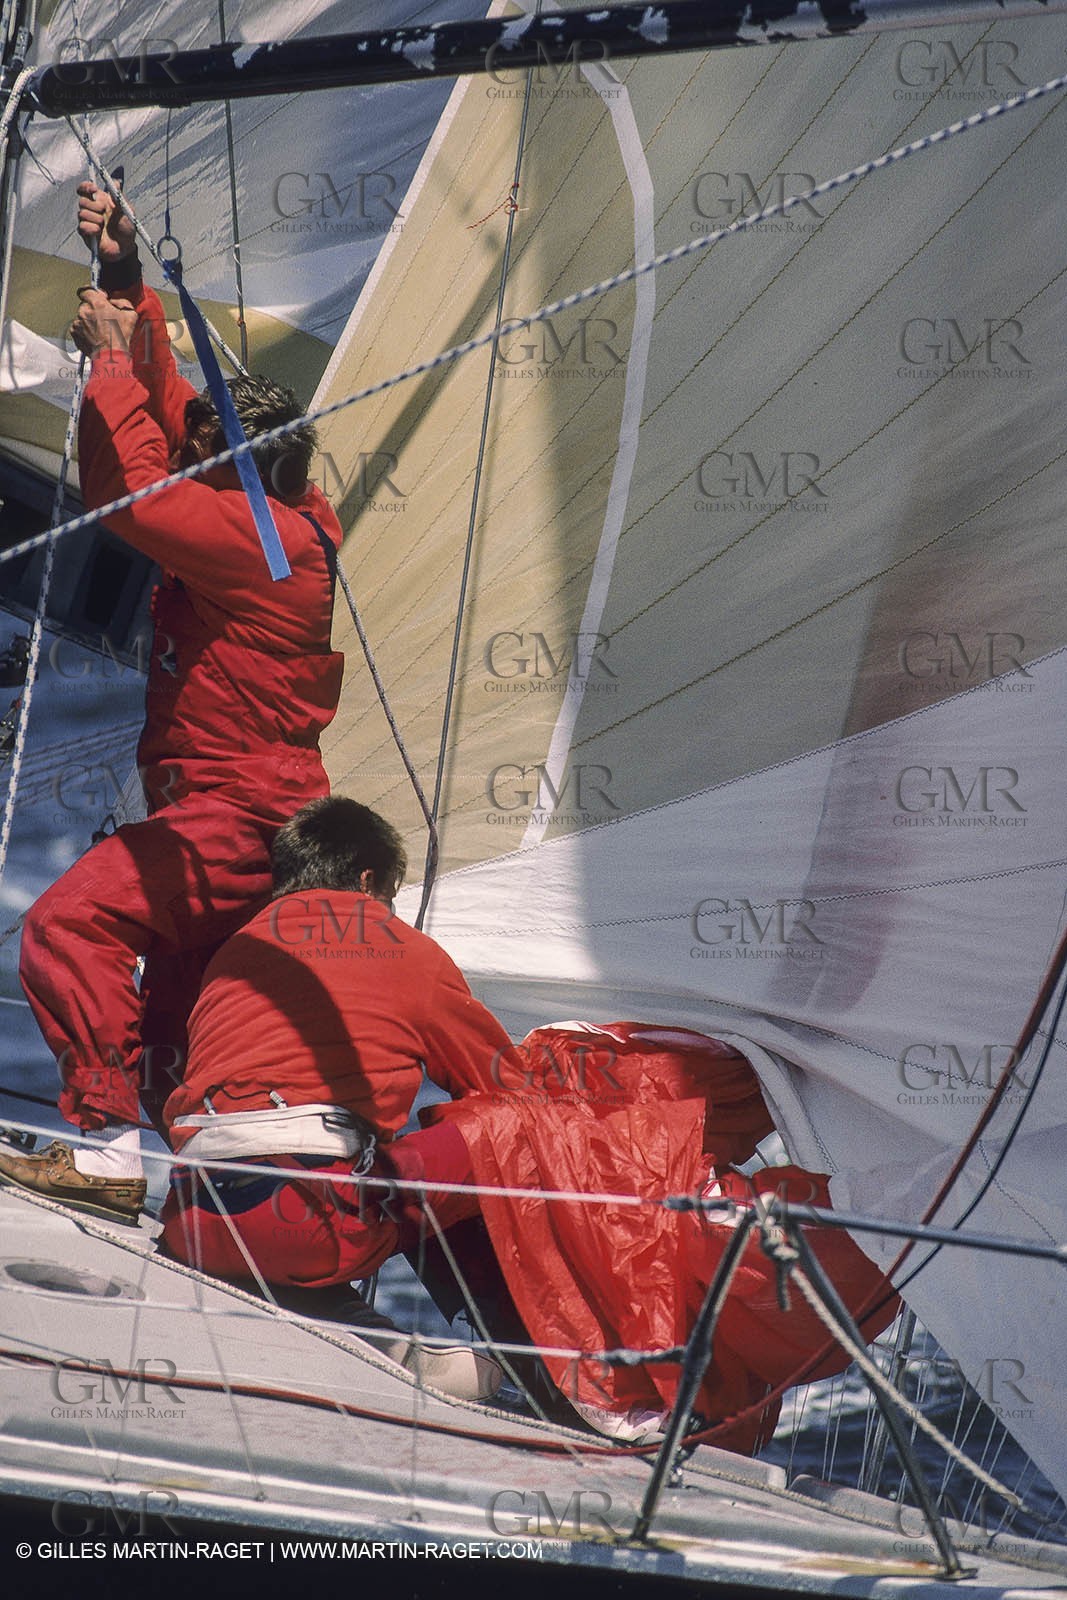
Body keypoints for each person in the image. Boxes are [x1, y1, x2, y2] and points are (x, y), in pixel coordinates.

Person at [0, 178, 344, 1223]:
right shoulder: (278, 510)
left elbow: (133, 491)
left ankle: (106, 1153)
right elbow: (159, 416)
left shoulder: (262, 545)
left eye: (201, 454)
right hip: (236, 809)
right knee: (170, 1033)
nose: (185, 461)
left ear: (231, 469)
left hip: (235, 812)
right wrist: (121, 276)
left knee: (69, 928)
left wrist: (107, 359)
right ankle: (225, 1208)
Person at [156, 793, 518, 1398]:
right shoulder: (404, 949)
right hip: (309, 1228)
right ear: (369, 880)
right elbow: (504, 1085)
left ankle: (362, 1331)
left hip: (195, 1225)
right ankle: (537, 1363)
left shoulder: (233, 951)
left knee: (355, 1179)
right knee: (511, 1133)